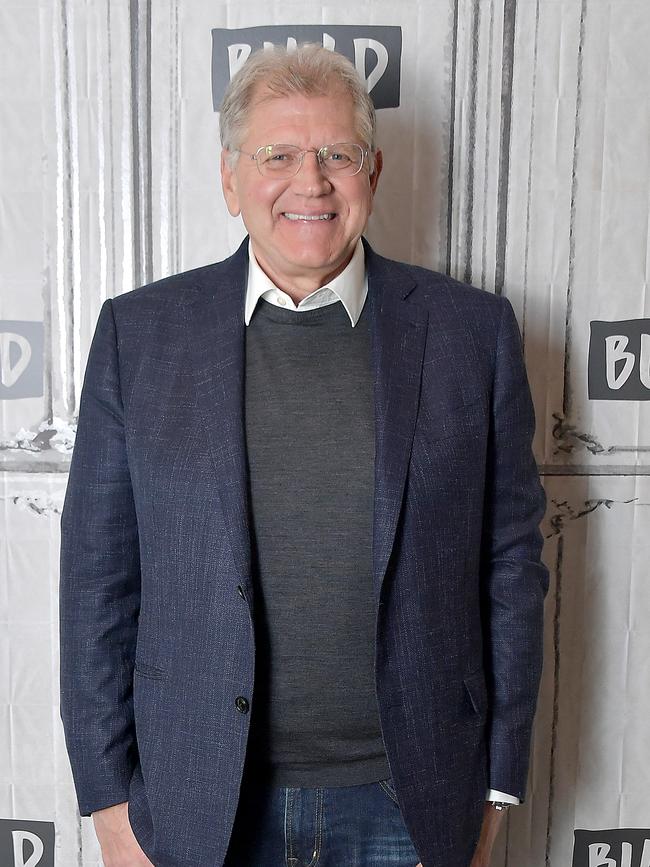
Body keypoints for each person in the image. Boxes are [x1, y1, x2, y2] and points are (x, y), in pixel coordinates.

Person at [59, 44, 549, 867]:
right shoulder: (136, 335)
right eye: (278, 155)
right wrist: (110, 806)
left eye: (336, 155)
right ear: (230, 179)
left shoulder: (474, 333)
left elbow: (511, 568)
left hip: (414, 801)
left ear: (374, 171)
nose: (310, 182)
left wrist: (496, 790)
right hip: (196, 801)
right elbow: (97, 580)